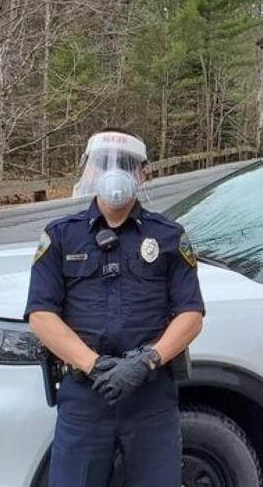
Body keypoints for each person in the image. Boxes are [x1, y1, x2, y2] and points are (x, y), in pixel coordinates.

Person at [24, 128, 204, 486]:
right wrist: (95, 365)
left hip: (150, 396)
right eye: (105, 163)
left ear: (143, 173)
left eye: (125, 164)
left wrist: (146, 361)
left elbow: (191, 315)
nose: (114, 171)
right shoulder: (61, 236)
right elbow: (41, 315)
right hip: (85, 396)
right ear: (88, 171)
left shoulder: (169, 236)